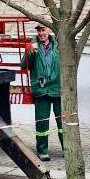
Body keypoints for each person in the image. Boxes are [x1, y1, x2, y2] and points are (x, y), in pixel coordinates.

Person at [23, 23, 63, 161]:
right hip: (41, 89)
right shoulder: (32, 45)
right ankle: (42, 151)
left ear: (49, 30)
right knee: (42, 123)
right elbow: (24, 66)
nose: (41, 33)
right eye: (39, 31)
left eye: (43, 30)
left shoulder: (59, 45)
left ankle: (67, 148)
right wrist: (29, 53)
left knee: (63, 123)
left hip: (57, 88)